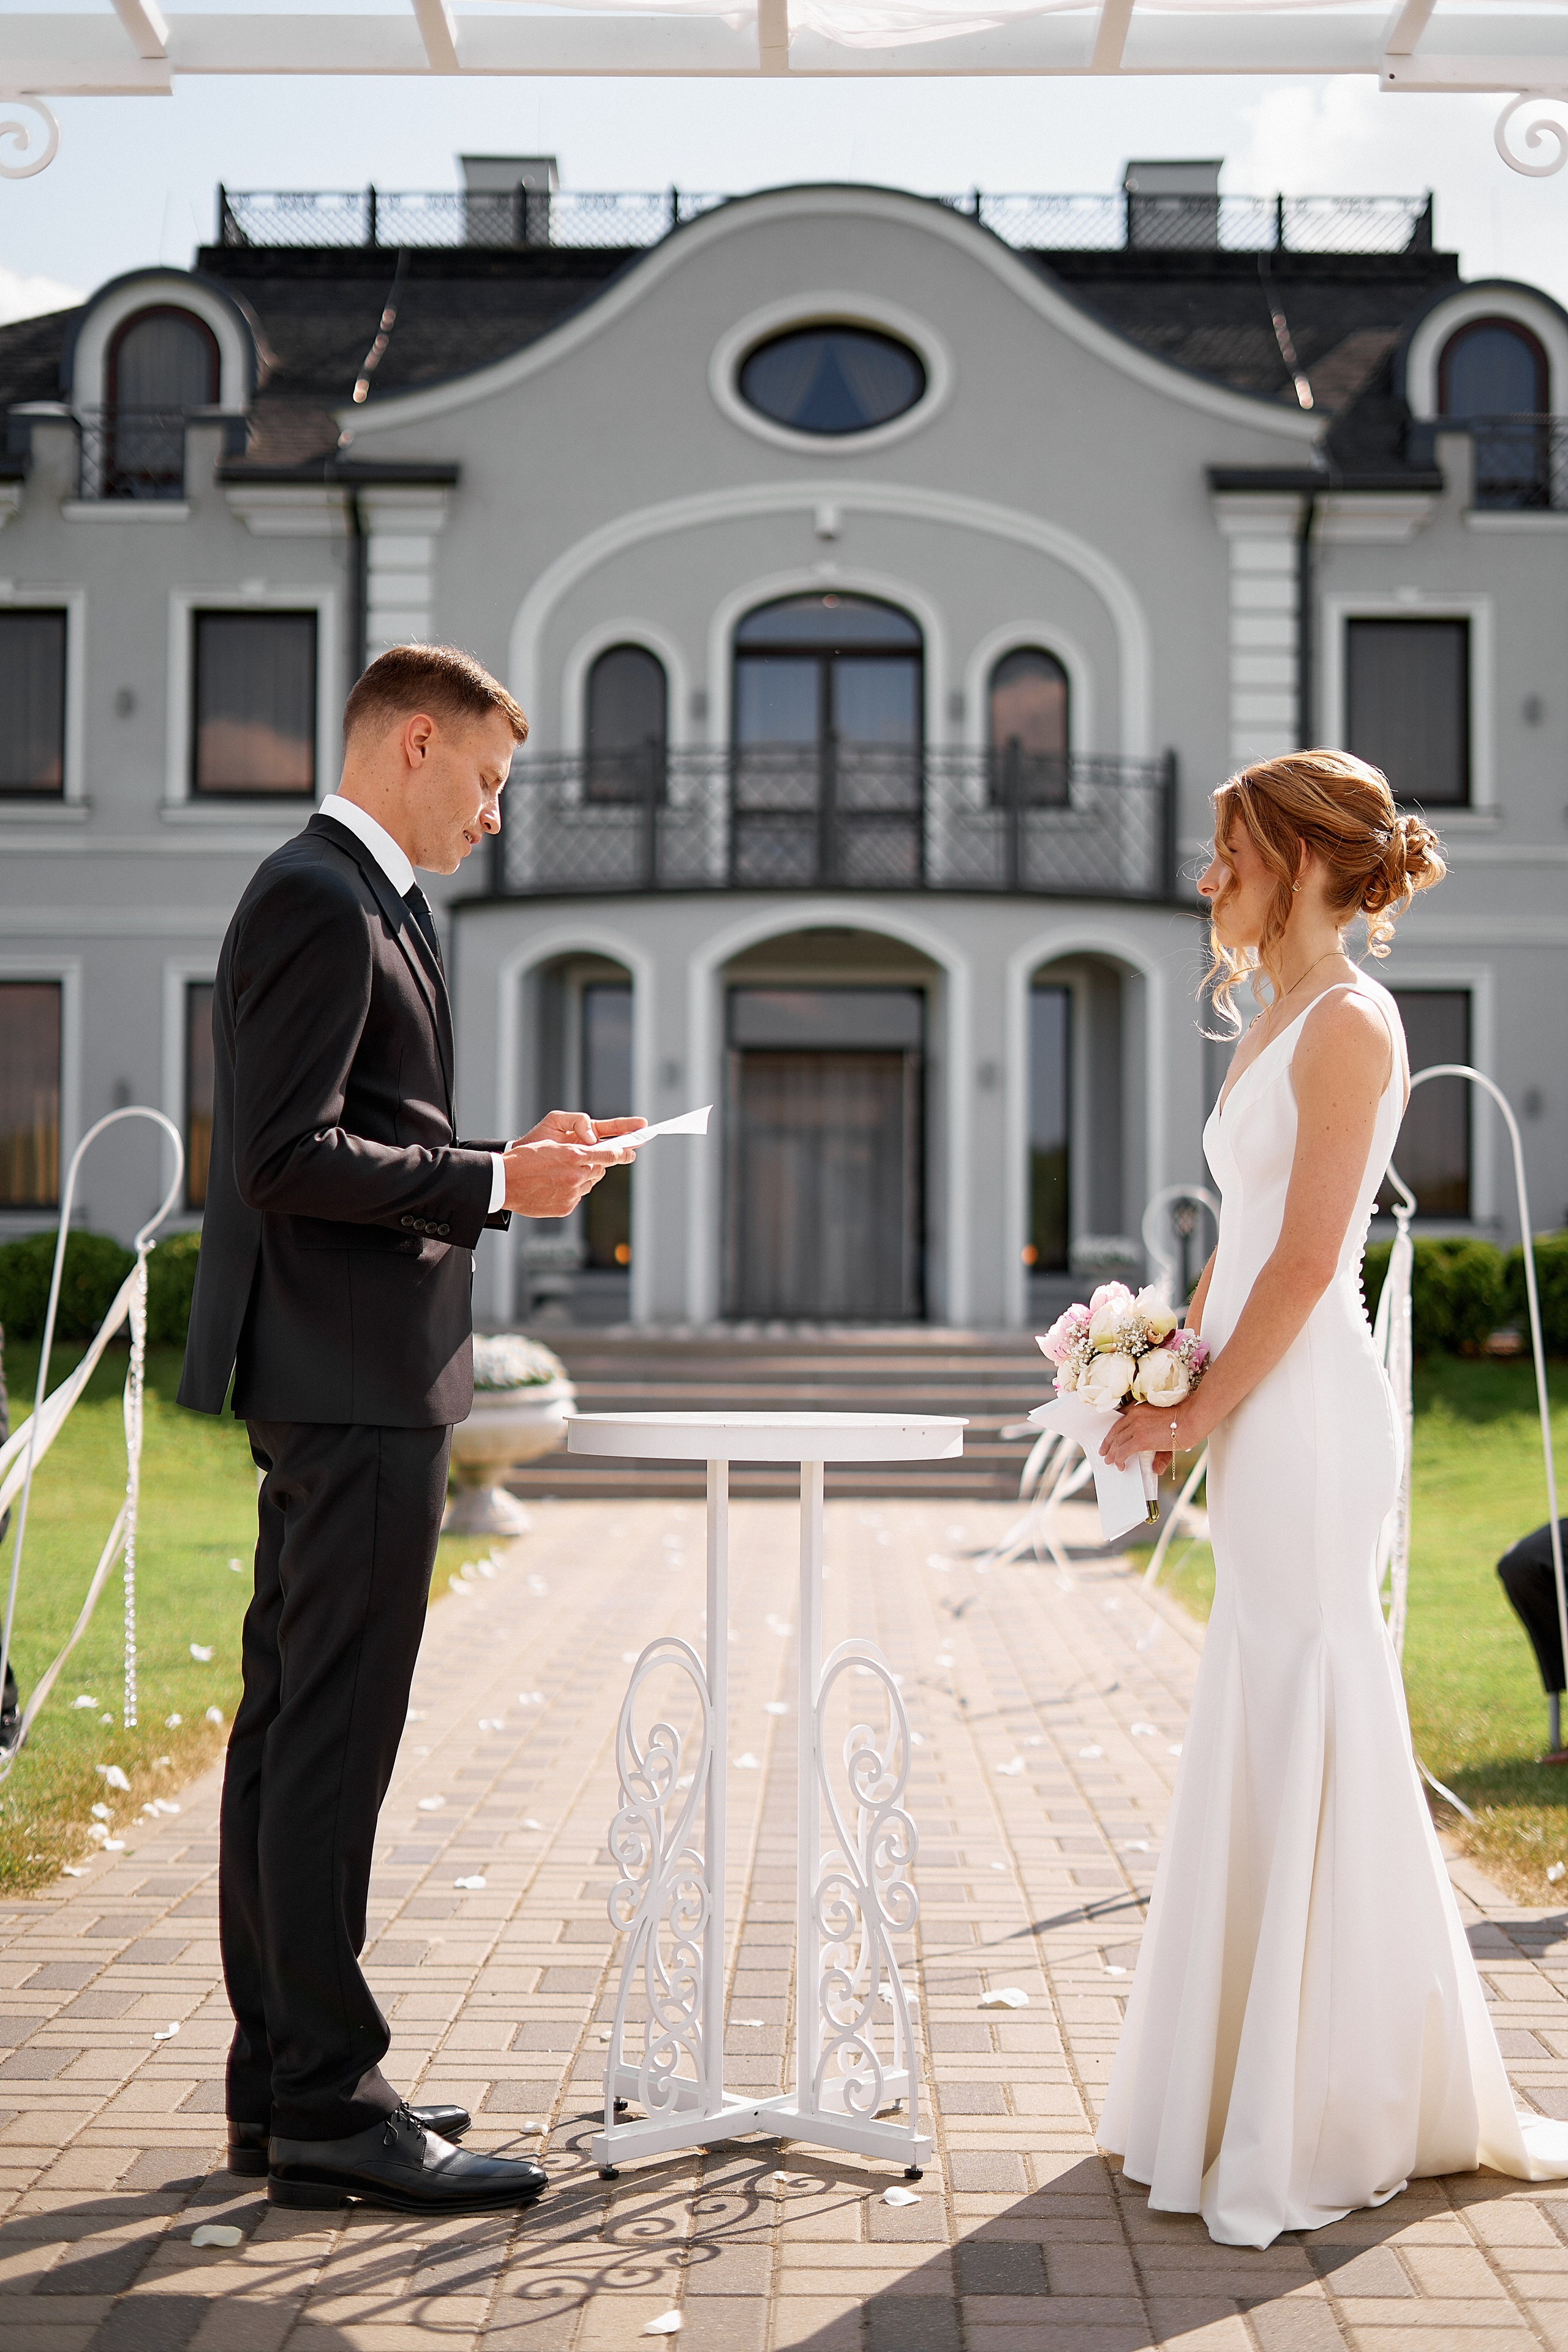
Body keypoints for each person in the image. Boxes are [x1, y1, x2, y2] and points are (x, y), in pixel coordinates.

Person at [179, 643, 642, 2215]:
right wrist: (496, 1186)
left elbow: (369, 1137)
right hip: (350, 1378)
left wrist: (518, 1155)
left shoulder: (369, 898)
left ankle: (280, 2086)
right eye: (493, 781)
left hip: (344, 1371)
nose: (498, 815)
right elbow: (283, 1157)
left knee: (291, 1731)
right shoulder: (321, 896)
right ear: (418, 742)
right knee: (329, 1740)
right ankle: (328, 2101)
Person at [1098, 748, 1568, 2247]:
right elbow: (1244, 1253)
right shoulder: (1268, 1016)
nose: (1204, 877)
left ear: (1298, 857)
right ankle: (1257, 2069)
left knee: (1311, 1694)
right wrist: (1157, 1364)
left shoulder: (1351, 1023)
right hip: (1254, 1401)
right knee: (1264, 1693)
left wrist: (1195, 1408)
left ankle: (1334, 2095)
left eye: (1225, 850)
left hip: (1304, 1418)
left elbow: (1310, 1267)